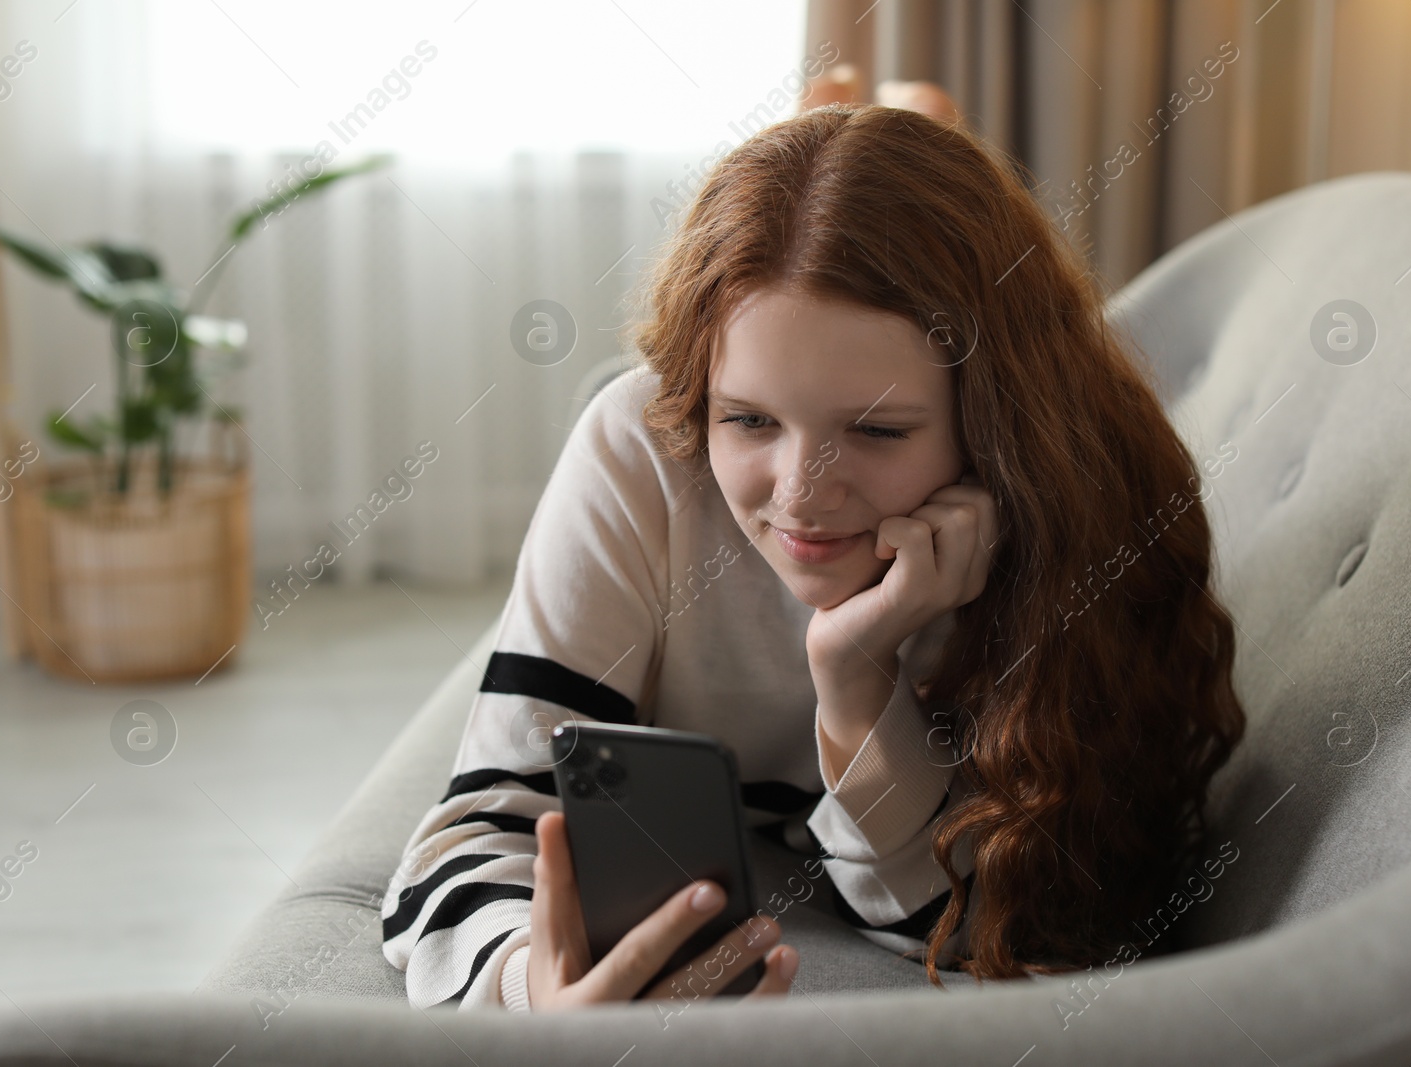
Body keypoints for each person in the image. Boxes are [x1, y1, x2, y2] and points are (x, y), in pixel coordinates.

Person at [381, 102, 1246, 1013]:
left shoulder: (1080, 522)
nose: (798, 492)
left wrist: (856, 677)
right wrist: (538, 984)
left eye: (876, 429)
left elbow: (1001, 931)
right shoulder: (640, 455)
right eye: (748, 418)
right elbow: (472, 835)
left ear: (997, 424)